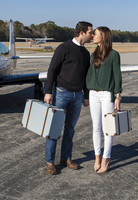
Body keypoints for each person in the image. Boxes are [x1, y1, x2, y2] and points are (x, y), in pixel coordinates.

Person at [44, 21, 93, 175]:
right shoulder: (64, 48)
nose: (92, 35)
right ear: (82, 33)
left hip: (77, 96)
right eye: (90, 32)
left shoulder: (85, 53)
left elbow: (86, 76)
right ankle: (50, 161)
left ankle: (66, 159)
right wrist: (48, 92)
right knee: (54, 129)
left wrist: (86, 96)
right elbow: (52, 70)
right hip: (61, 93)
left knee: (70, 129)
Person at [86, 26, 122, 174]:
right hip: (93, 94)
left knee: (107, 129)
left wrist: (118, 97)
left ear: (103, 36)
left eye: (95, 34)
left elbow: (117, 77)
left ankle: (106, 160)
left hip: (107, 94)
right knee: (96, 127)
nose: (93, 36)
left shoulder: (114, 55)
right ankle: (97, 158)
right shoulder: (92, 54)